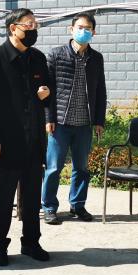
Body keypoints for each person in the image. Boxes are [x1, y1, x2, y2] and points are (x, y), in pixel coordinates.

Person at [0, 8, 52, 267]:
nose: (33, 30)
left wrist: (45, 95)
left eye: (35, 25)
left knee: (32, 196)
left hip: (33, 140)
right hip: (5, 142)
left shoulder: (38, 58)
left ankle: (31, 242)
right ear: (13, 28)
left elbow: (46, 94)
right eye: (28, 25)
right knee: (3, 196)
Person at [41, 13, 107, 225]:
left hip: (84, 124)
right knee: (53, 168)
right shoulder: (56, 55)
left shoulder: (96, 58)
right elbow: (47, 90)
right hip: (60, 123)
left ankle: (77, 205)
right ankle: (49, 207)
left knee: (82, 168)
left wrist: (99, 120)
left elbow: (101, 91)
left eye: (88, 28)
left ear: (93, 32)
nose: (83, 31)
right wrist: (49, 117)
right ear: (71, 29)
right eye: (80, 27)